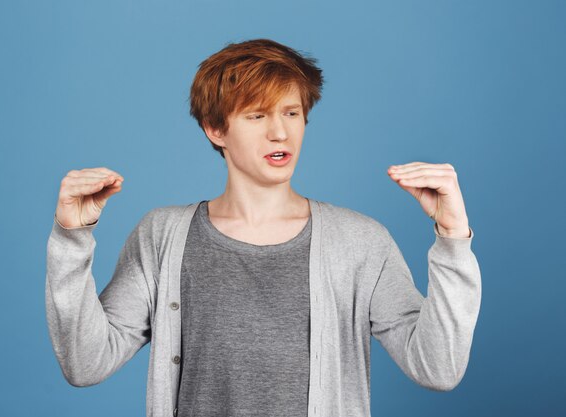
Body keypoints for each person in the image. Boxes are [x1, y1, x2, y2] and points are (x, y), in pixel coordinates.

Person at [46, 38, 481, 417]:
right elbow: (86, 364)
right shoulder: (162, 236)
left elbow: (438, 368)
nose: (280, 132)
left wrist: (453, 240)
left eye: (291, 113)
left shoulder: (360, 242)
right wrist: (72, 240)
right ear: (216, 129)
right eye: (257, 116)